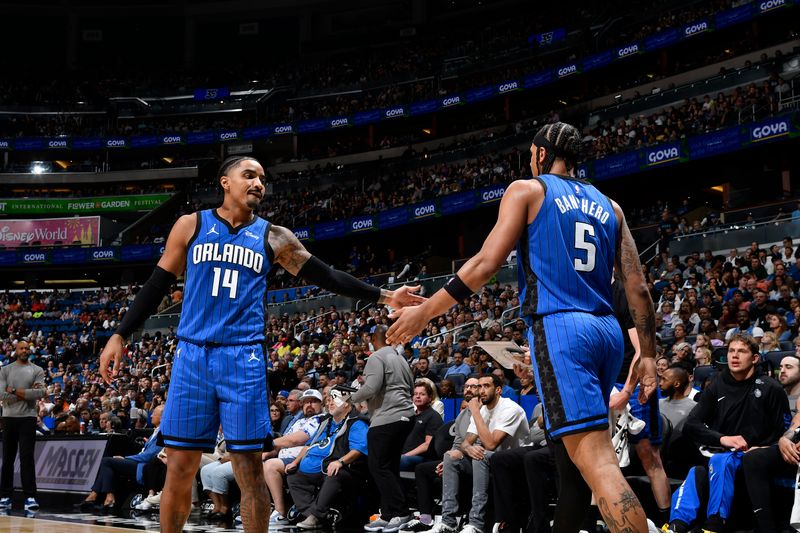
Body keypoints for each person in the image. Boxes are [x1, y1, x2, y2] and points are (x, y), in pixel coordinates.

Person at [98, 156, 424, 533]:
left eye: (262, 179)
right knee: (179, 467)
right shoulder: (191, 224)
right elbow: (157, 285)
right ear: (225, 182)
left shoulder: (274, 236)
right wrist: (121, 332)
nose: (258, 183)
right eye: (248, 175)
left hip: (243, 357)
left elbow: (327, 276)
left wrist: (385, 296)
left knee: (250, 471)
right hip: (192, 356)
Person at [388, 122, 659, 532]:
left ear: (539, 153)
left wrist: (425, 312)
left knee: (599, 463)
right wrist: (651, 355)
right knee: (571, 470)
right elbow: (637, 287)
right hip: (608, 332)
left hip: (562, 330)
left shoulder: (528, 190)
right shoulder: (611, 206)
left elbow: (485, 264)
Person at [666, 334, 789, 533]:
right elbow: (691, 424)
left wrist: (764, 449)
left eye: (742, 351)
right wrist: (722, 438)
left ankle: (715, 524)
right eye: (731, 351)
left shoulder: (771, 388)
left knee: (720, 461)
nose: (734, 356)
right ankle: (676, 526)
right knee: (696, 471)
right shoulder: (717, 384)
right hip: (723, 453)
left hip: (757, 455)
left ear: (755, 358)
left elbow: (784, 432)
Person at [417, 374, 529, 533]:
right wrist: (467, 449)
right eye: (480, 386)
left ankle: (476, 523)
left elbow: (491, 444)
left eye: (486, 386)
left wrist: (475, 412)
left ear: (498, 390)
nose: (481, 391)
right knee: (450, 457)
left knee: (480, 454)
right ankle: (448, 522)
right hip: (489, 461)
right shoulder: (483, 410)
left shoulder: (510, 409)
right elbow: (465, 443)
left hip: (512, 463)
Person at [347, 325, 415, 533]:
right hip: (405, 416)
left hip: (386, 418)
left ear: (372, 339)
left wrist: (348, 399)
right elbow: (411, 388)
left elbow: (370, 388)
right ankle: (388, 514)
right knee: (389, 466)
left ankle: (401, 512)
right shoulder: (401, 358)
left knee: (378, 467)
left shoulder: (376, 357)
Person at [286, 386, 369, 529]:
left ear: (346, 404)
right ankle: (314, 515)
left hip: (345, 470)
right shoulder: (326, 422)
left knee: (334, 473)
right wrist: (295, 462)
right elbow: (308, 445)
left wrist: (340, 462)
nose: (329, 403)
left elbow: (359, 450)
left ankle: (316, 516)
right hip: (317, 467)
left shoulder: (356, 422)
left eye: (334, 400)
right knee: (293, 476)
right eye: (328, 400)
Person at [79, 405, 165, 511]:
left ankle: (101, 496)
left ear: (162, 417)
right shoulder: (156, 431)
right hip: (140, 463)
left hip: (144, 466)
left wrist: (125, 458)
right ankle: (101, 496)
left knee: (107, 462)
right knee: (108, 465)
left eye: (154, 414)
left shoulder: (163, 432)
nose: (151, 416)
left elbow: (148, 456)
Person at [0, 340, 46, 511]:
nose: (25, 350)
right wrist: (28, 393)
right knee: (8, 459)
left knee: (27, 458)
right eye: (22, 348)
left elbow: (41, 392)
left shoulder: (37, 370)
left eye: (27, 348)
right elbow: (2, 396)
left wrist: (13, 390)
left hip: (28, 418)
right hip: (9, 418)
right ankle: (5, 496)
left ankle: (30, 497)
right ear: (15, 350)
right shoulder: (5, 370)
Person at [400, 381, 443, 471]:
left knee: (397, 461)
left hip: (420, 458)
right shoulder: (410, 415)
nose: (418, 396)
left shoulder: (433, 416)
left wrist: (406, 455)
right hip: (404, 455)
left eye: (422, 394)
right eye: (415, 394)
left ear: (430, 398)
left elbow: (427, 444)